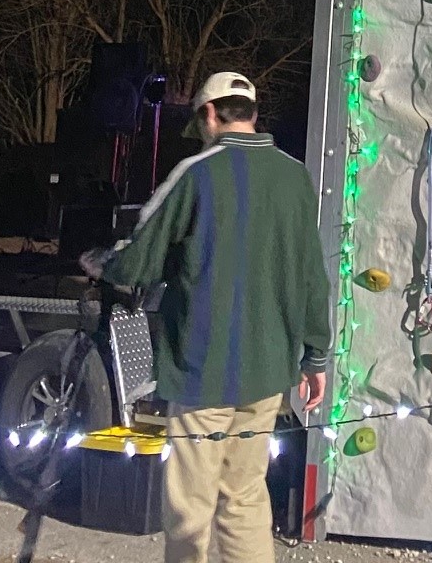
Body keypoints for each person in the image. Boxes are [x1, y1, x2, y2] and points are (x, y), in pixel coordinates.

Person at [85, 71, 330, 563]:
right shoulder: (295, 176)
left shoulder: (196, 173)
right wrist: (316, 357)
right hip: (267, 374)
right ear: (253, 114)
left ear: (209, 114)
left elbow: (139, 257)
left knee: (190, 510)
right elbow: (311, 275)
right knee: (244, 499)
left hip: (202, 373)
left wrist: (98, 262)